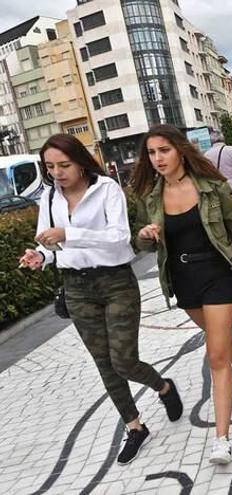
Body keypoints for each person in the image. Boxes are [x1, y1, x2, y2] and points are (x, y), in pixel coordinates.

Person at [19, 134, 183, 466]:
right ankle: (135, 426)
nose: (57, 173)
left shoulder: (106, 189)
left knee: (123, 360)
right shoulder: (49, 197)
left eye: (64, 165)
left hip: (115, 283)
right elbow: (51, 247)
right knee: (105, 364)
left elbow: (118, 238)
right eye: (50, 166)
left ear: (80, 161)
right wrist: (40, 256)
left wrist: (68, 234)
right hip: (77, 288)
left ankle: (163, 387)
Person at [131, 125, 232, 465]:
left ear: (180, 150)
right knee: (221, 340)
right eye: (152, 153)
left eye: (163, 150)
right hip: (183, 280)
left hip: (217, 273)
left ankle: (222, 440)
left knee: (215, 355)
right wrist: (144, 235)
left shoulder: (212, 188)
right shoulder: (151, 197)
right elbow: (137, 243)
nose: (157, 159)